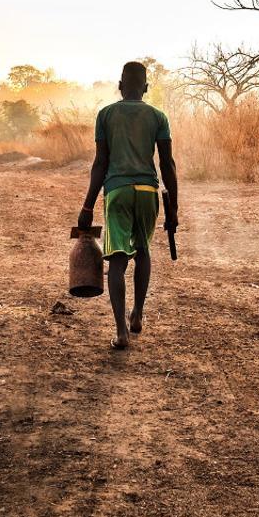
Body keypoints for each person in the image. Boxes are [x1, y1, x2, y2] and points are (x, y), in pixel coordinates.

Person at [78, 61, 178, 349]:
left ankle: (121, 332)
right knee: (143, 251)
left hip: (118, 191)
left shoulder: (106, 115)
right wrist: (174, 209)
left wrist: (87, 207)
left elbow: (100, 163)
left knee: (118, 261)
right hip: (148, 191)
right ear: (146, 88)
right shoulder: (158, 117)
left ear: (120, 86)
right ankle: (138, 315)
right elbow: (167, 165)